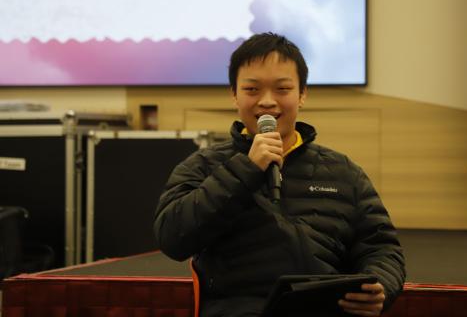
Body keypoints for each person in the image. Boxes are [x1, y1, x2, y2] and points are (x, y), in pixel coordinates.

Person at [154, 33, 405, 317]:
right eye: (252, 89)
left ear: (302, 94)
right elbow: (172, 237)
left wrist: (379, 285)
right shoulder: (203, 166)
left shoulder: (344, 172)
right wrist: (246, 169)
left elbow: (381, 248)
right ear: (234, 94)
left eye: (282, 89)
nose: (267, 102)